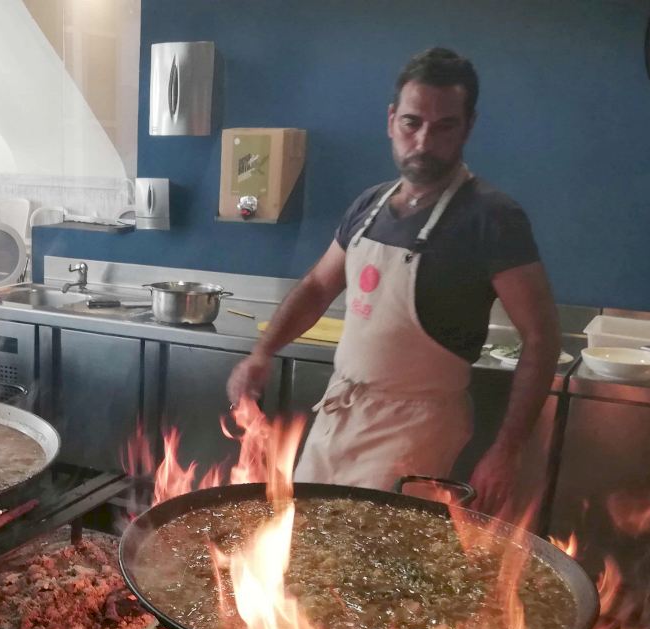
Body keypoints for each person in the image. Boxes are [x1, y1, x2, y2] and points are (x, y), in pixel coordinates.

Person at [227, 47, 560, 515]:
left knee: (375, 551)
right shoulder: (370, 205)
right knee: (302, 538)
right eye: (411, 123)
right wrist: (262, 353)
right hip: (340, 416)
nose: (423, 141)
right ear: (390, 120)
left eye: (444, 126)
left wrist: (507, 450)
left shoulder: (492, 218)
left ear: (468, 127)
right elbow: (318, 287)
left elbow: (541, 337)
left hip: (416, 431)